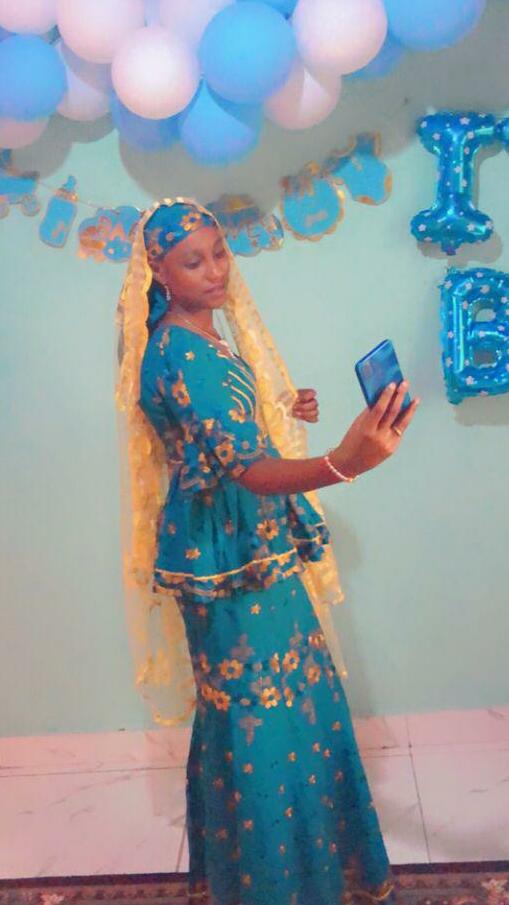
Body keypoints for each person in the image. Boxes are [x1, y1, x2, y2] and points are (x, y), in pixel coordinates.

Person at [115, 197, 419, 905]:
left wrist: (279, 407)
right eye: (193, 261)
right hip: (225, 556)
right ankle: (275, 886)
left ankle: (301, 873)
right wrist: (345, 462)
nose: (216, 269)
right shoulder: (180, 352)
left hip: (247, 542)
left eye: (219, 251)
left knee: (284, 705)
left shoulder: (200, 334)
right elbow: (244, 468)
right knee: (259, 720)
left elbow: (216, 431)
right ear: (159, 273)